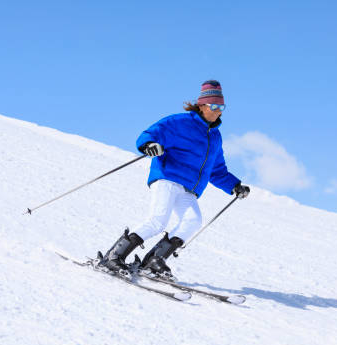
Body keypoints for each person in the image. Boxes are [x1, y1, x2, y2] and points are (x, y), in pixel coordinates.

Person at [100, 80, 250, 281]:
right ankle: (114, 256)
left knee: (192, 220)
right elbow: (150, 134)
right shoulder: (180, 122)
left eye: (222, 107)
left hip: (189, 188)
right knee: (157, 220)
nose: (218, 111)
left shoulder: (215, 137)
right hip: (167, 178)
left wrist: (234, 185)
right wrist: (149, 145)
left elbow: (217, 169)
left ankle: (154, 261)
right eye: (214, 106)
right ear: (202, 105)